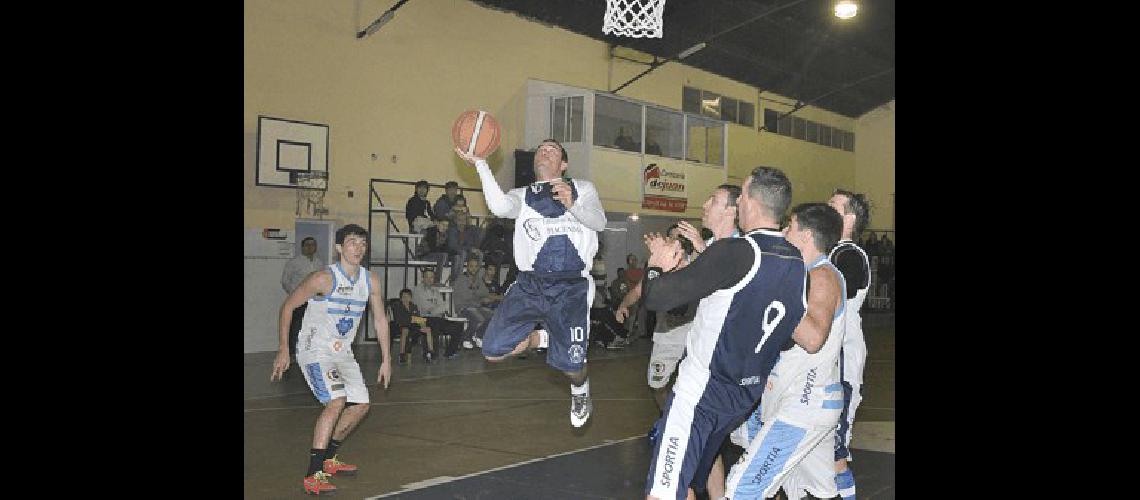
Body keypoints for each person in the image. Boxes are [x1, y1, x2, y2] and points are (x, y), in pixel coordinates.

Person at [641, 167, 806, 500]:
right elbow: (787, 336)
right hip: (742, 396)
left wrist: (657, 265)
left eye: (742, 195)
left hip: (701, 392)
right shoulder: (796, 262)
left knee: (662, 493)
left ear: (753, 203)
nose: (739, 202)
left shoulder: (737, 252)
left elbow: (657, 297)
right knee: (686, 483)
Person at [456, 138, 607, 428]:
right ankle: (543, 339)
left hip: (570, 286)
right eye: (540, 149)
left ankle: (580, 390)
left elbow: (599, 223)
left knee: (573, 367)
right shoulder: (523, 195)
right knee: (492, 350)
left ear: (563, 164)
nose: (543, 152)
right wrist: (481, 164)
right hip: (530, 284)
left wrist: (572, 204)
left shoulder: (582, 188)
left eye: (551, 149)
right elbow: (500, 207)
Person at [617, 185, 741, 499]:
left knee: (694, 455)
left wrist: (670, 262)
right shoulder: (705, 257)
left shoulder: (715, 256)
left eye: (712, 199)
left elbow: (673, 301)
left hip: (708, 360)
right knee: (660, 387)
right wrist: (626, 303)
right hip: (683, 348)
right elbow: (649, 291)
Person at [724, 203, 846, 500]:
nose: (783, 232)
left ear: (805, 236)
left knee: (743, 487)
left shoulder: (822, 276)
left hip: (804, 405)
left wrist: (772, 294)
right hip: (803, 402)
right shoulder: (803, 274)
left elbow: (813, 337)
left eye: (789, 226)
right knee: (815, 492)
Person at [269, 224, 392, 496]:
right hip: (315, 350)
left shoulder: (370, 280)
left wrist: (387, 358)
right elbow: (288, 306)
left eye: (362, 243)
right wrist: (283, 348)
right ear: (339, 248)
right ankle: (313, 475)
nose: (358, 248)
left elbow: (381, 319)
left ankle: (329, 459)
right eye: (352, 242)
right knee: (336, 401)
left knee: (360, 405)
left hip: (342, 352)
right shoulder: (323, 278)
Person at [826, 189, 872, 500]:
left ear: (849, 218)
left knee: (835, 451)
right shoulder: (831, 251)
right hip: (826, 355)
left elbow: (833, 294)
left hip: (842, 358)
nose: (825, 208)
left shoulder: (849, 255)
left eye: (833, 206)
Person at [281, 236, 324, 361]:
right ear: (302, 247)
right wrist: (294, 295)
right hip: (299, 301)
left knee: (313, 326)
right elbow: (285, 281)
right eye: (307, 245)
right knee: (296, 326)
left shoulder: (319, 263)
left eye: (312, 245)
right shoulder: (294, 262)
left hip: (315, 301)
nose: (310, 247)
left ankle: (310, 351)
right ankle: (292, 353)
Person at [411, 268, 465, 360]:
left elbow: (441, 306)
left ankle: (450, 352)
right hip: (421, 319)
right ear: (422, 278)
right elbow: (426, 308)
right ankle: (431, 354)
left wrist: (436, 308)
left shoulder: (435, 290)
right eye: (427, 277)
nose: (429, 279)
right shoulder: (417, 290)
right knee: (434, 323)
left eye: (431, 277)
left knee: (458, 326)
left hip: (437, 317)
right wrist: (438, 308)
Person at [452, 255, 494, 349]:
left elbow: (485, 293)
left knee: (493, 315)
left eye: (476, 266)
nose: (474, 269)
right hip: (463, 307)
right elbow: (467, 298)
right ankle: (465, 338)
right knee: (478, 317)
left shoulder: (478, 279)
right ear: (467, 267)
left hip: (476, 306)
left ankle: (478, 335)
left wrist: (480, 297)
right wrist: (480, 299)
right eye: (471, 266)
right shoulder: (461, 279)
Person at [390, 288, 434, 365]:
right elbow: (400, 319)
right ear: (401, 298)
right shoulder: (397, 307)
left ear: (411, 298)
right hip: (400, 326)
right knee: (405, 330)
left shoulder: (414, 306)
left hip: (412, 326)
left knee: (428, 329)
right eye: (404, 297)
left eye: (408, 297)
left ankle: (430, 351)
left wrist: (422, 325)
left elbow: (418, 318)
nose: (406, 299)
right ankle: (402, 354)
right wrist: (413, 319)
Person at [447, 212, 483, 284]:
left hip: (466, 253)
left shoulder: (469, 230)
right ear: (456, 221)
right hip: (454, 253)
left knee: (480, 254)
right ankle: (458, 280)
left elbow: (471, 243)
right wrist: (468, 249)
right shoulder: (452, 230)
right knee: (462, 253)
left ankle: (475, 279)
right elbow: (453, 245)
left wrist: (473, 249)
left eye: (464, 220)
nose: (462, 222)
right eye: (460, 220)